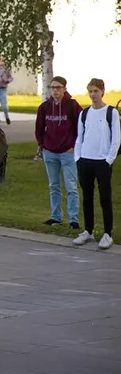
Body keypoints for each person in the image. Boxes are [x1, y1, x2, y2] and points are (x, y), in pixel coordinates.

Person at [72, 78, 120, 250]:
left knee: (105, 198)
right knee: (86, 197)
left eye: (96, 91)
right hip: (85, 160)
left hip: (103, 161)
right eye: (90, 91)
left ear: (102, 92)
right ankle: (88, 230)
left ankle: (108, 234)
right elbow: (80, 136)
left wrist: (109, 160)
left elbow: (116, 139)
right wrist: (78, 157)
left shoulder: (111, 113)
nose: (93, 95)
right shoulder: (84, 113)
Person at [34, 76, 83, 229]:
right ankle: (56, 217)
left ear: (64, 89)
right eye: (53, 88)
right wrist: (43, 146)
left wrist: (74, 146)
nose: (55, 90)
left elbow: (81, 128)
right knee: (54, 186)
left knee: (71, 186)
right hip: (50, 152)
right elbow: (39, 129)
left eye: (58, 88)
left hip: (68, 152)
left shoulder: (73, 106)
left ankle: (73, 219)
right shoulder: (44, 107)